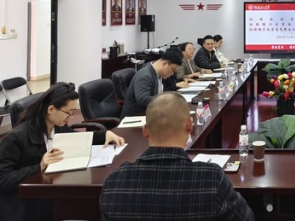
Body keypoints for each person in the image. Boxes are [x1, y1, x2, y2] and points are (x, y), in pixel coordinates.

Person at [100, 92, 254, 220]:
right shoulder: (212, 179)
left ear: (145, 131)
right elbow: (247, 218)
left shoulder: (114, 182)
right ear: (190, 125)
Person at [0, 83, 124, 221]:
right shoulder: (16, 138)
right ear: (51, 109)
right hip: (25, 204)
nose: (70, 117)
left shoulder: (57, 126)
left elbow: (75, 138)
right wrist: (39, 167)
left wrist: (105, 134)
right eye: (68, 112)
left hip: (51, 190)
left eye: (73, 112)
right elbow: (2, 178)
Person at [120, 48, 185, 118]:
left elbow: (157, 94)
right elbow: (143, 100)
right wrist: (166, 99)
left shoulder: (158, 74)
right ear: (164, 64)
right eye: (173, 70)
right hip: (135, 118)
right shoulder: (145, 76)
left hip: (150, 114)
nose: (172, 73)